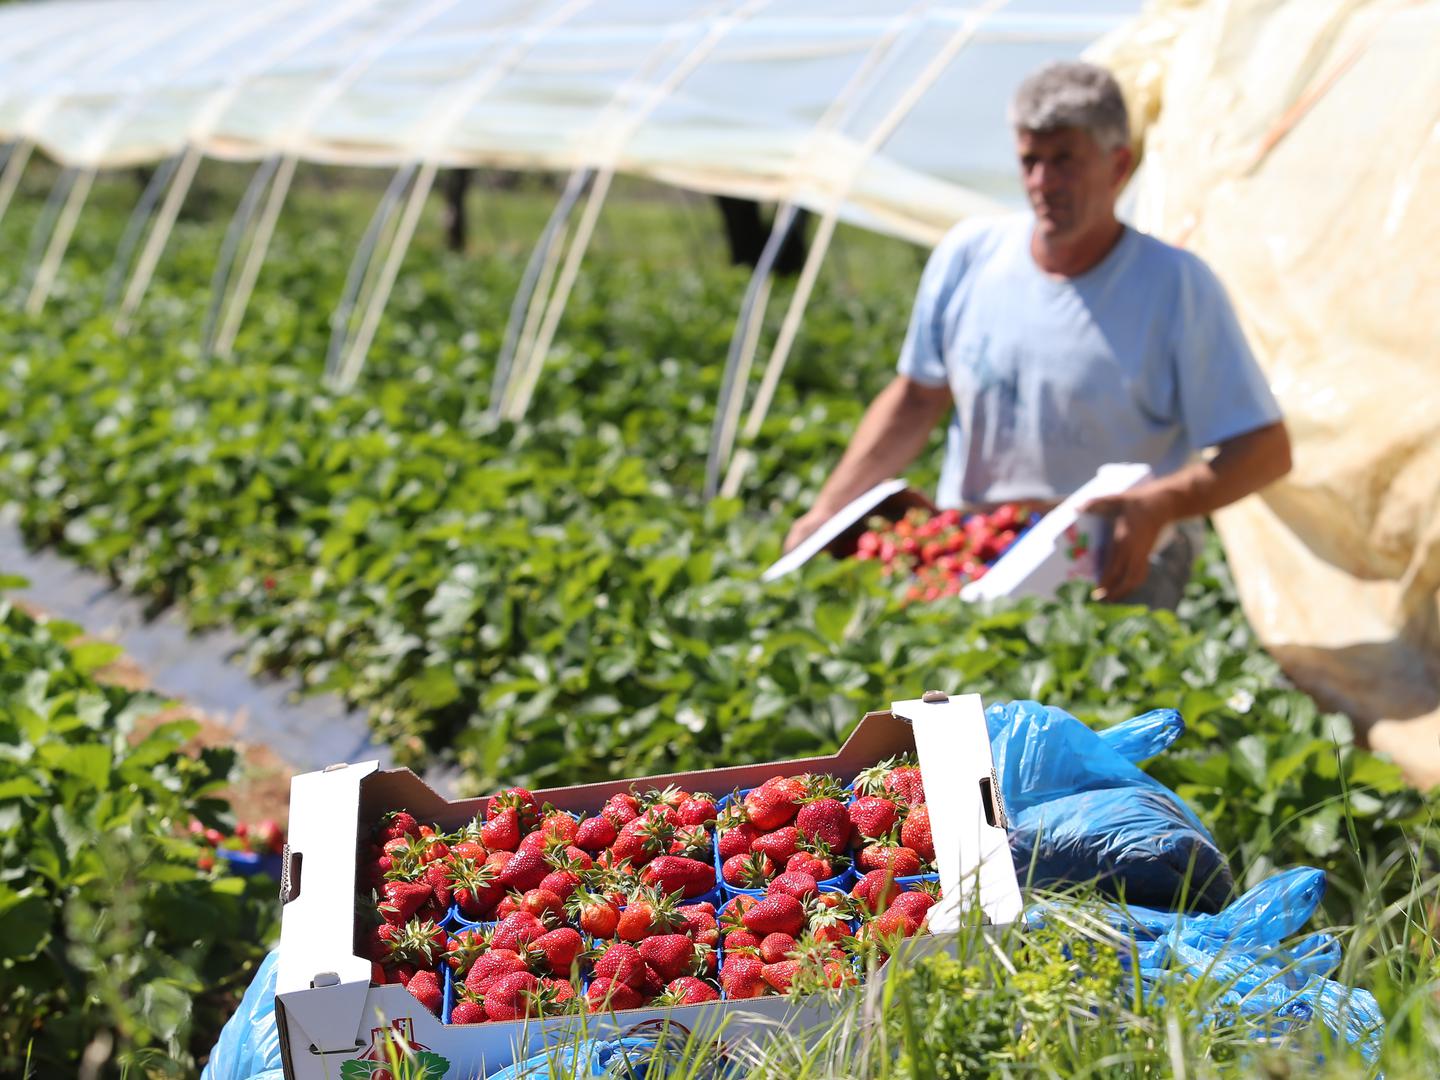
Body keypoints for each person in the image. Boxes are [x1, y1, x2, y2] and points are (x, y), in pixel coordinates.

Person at [782, 61, 1292, 609]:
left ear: (1119, 166)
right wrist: (829, 509)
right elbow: (915, 399)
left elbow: (1263, 449)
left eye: (1065, 161)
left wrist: (1161, 503)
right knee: (961, 692)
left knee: (1096, 690)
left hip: (1113, 560)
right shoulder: (969, 257)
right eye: (1031, 161)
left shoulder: (1174, 287)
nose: (1042, 183)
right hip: (978, 548)